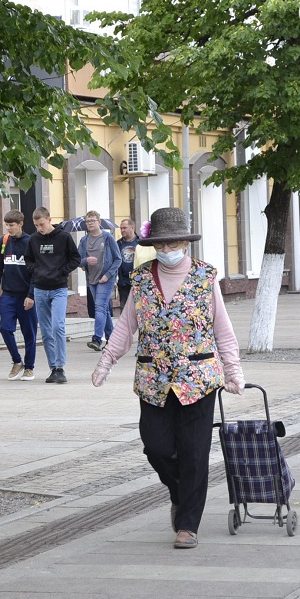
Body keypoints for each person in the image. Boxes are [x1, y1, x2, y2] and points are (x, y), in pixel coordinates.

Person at [90, 207, 245, 550]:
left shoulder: (205, 277)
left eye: (173, 242)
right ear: (154, 245)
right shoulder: (142, 278)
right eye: (161, 244)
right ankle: (179, 491)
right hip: (153, 379)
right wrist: (106, 362)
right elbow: (126, 325)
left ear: (185, 244)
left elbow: (223, 328)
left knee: (194, 453)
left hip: (198, 378)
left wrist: (233, 371)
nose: (167, 249)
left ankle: (188, 524)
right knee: (156, 446)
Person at [26, 207, 81, 384]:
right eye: (36, 225)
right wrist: (37, 271)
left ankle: (61, 366)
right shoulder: (34, 239)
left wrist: (62, 272)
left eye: (41, 224)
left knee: (58, 325)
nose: (39, 228)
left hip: (59, 288)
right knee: (46, 330)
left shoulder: (63, 237)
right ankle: (53, 367)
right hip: (40, 288)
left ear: (49, 219)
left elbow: (76, 258)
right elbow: (28, 259)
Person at [0, 210, 37, 381]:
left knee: (29, 333)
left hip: (26, 295)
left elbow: (35, 273)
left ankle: (29, 367)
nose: (9, 228)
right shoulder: (3, 242)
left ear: (20, 224)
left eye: (12, 225)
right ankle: (17, 361)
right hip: (8, 295)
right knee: (5, 328)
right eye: (7, 225)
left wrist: (31, 295)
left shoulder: (30, 242)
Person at [78, 211, 121, 351]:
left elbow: (118, 259)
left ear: (99, 222)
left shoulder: (107, 238)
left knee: (99, 307)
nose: (90, 223)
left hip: (105, 279)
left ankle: (97, 339)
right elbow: (77, 260)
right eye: (88, 221)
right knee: (104, 310)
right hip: (92, 279)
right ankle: (113, 339)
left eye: (92, 220)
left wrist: (108, 275)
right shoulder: (84, 241)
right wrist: (86, 261)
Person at [116, 218, 139, 310]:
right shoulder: (118, 244)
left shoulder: (141, 242)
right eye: (121, 228)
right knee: (125, 309)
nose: (122, 230)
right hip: (124, 283)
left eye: (125, 228)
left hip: (139, 281)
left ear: (132, 228)